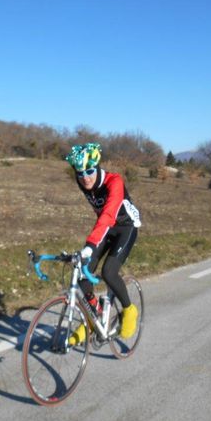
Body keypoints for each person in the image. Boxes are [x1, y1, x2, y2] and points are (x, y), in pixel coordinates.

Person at [65, 143, 142, 346]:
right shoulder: (82, 181)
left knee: (109, 272)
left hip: (125, 227)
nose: (85, 177)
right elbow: (103, 219)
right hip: (106, 228)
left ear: (97, 167)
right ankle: (93, 319)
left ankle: (129, 310)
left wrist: (90, 244)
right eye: (80, 172)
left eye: (89, 171)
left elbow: (108, 214)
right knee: (83, 277)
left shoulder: (113, 181)